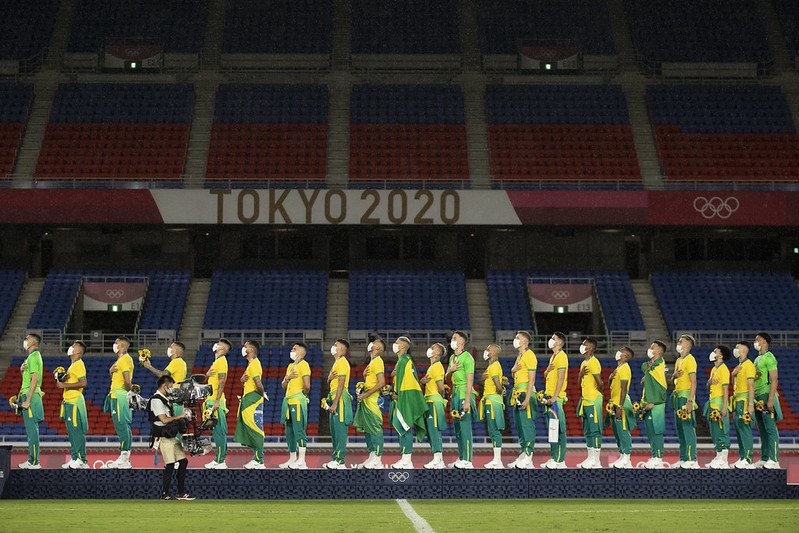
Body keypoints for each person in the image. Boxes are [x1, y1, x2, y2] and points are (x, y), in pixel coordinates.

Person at [149, 375, 194, 500]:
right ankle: (165, 493)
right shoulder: (156, 399)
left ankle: (180, 492)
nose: (172, 388)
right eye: (170, 385)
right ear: (165, 385)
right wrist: (180, 416)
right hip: (163, 437)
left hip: (171, 436)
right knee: (170, 464)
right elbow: (163, 420)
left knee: (183, 462)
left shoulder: (165, 398)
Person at [389, 337, 428, 469]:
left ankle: (407, 459)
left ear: (403, 347)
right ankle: (404, 458)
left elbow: (409, 382)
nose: (394, 345)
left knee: (405, 426)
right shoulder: (401, 361)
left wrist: (399, 394)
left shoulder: (405, 360)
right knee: (402, 427)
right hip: (400, 397)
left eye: (397, 343)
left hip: (404, 397)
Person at [353, 339, 386, 469]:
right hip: (366, 400)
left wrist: (366, 394)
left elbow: (381, 382)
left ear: (377, 348)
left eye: (374, 342)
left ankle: (378, 459)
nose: (371, 343)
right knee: (367, 430)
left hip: (372, 400)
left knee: (375, 428)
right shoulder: (372, 362)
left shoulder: (378, 361)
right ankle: (372, 456)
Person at [102, 336, 134, 469]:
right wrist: (110, 371)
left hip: (120, 396)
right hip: (116, 395)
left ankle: (124, 458)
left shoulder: (125, 359)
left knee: (121, 426)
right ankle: (124, 456)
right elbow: (117, 378)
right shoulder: (120, 360)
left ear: (122, 345)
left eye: (116, 343)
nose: (114, 345)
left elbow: (127, 382)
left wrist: (128, 393)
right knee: (122, 426)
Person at [446, 330, 476, 469]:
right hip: (455, 394)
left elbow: (470, 380)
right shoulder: (452, 358)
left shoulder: (467, 357)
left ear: (462, 342)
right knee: (457, 429)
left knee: (465, 428)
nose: (452, 340)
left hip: (465, 393)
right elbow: (447, 379)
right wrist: (450, 370)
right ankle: (462, 457)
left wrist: (468, 400)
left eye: (455, 338)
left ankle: (468, 460)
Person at [234, 340, 266, 469]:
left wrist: (262, 394)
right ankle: (256, 457)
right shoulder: (250, 365)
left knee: (255, 428)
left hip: (253, 399)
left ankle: (259, 460)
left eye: (245, 346)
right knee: (248, 427)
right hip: (248, 397)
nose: (243, 348)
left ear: (251, 350)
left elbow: (258, 383)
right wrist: (242, 381)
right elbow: (250, 382)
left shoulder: (254, 364)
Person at [279, 342, 311, 470]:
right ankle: (292, 459)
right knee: (289, 431)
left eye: (294, 349)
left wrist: (301, 395)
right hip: (288, 401)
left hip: (297, 401)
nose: (291, 350)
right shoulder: (290, 366)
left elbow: (307, 385)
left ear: (301, 352)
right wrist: (288, 377)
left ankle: (302, 461)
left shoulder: (304, 365)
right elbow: (283, 385)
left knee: (298, 430)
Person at [508, 330, 537, 470]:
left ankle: (529, 456)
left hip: (526, 392)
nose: (515, 339)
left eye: (518, 338)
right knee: (520, 427)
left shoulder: (530, 355)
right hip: (517, 392)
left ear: (525, 341)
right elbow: (513, 372)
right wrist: (513, 369)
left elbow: (532, 379)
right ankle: (522, 454)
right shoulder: (520, 356)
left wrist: (527, 398)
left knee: (527, 425)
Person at [58, 340, 89, 469]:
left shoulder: (79, 364)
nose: (71, 347)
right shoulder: (72, 366)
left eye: (73, 346)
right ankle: (75, 457)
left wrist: (64, 385)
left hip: (75, 402)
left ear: (78, 351)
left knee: (77, 431)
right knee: (71, 432)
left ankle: (82, 459)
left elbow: (83, 383)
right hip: (68, 402)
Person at [752, 332, 782, 469]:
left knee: (770, 428)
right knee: (762, 429)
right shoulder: (757, 359)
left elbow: (774, 379)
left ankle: (774, 459)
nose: (755, 341)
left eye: (757, 339)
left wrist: (770, 400)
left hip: (766, 395)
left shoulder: (769, 357)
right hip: (758, 396)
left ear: (764, 341)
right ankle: (765, 458)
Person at [540, 332, 568, 469]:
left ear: (559, 342)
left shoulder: (562, 357)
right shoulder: (553, 357)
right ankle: (554, 458)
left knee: (558, 429)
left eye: (553, 338)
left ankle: (559, 459)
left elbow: (561, 379)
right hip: (549, 397)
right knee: (552, 429)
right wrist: (547, 370)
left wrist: (555, 397)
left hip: (555, 399)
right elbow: (547, 376)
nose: (551, 340)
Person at [141, 341, 188, 421]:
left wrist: (149, 367)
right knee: (177, 427)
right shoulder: (182, 362)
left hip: (174, 399)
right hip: (178, 398)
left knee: (173, 426)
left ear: (175, 351)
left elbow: (163, 375)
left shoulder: (176, 362)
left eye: (171, 347)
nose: (169, 349)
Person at [324, 339, 352, 469]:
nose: (333, 347)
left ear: (341, 349)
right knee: (334, 431)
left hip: (339, 399)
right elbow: (332, 383)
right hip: (334, 396)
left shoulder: (342, 362)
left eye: (336, 345)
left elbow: (341, 383)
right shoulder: (336, 363)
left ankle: (340, 460)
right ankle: (335, 459)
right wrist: (329, 378)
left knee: (340, 431)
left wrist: (335, 403)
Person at [16, 333, 44, 469]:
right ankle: (32, 460)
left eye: (27, 338)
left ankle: (34, 462)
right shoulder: (30, 357)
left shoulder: (34, 356)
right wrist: (22, 371)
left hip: (31, 396)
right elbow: (29, 378)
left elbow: (35, 379)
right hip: (28, 394)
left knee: (32, 430)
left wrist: (27, 400)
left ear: (33, 342)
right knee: (30, 430)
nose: (25, 340)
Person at [671, 334, 699, 469]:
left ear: (688, 345)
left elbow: (694, 382)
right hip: (677, 396)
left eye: (681, 341)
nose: (678, 343)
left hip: (686, 396)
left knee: (688, 428)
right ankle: (683, 458)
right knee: (680, 429)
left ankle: (692, 458)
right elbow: (675, 379)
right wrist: (673, 376)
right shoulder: (678, 360)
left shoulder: (690, 360)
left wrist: (690, 401)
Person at [576, 338, 603, 469]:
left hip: (593, 400)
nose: (582, 346)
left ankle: (596, 461)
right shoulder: (583, 363)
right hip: (585, 400)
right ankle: (590, 458)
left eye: (585, 344)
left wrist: (597, 396)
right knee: (587, 430)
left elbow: (600, 383)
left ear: (591, 348)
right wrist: (580, 374)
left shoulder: (594, 362)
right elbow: (578, 384)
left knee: (595, 430)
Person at [607, 346, 635, 469]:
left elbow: (624, 389)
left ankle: (627, 458)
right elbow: (613, 388)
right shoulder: (618, 369)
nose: (618, 352)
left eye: (621, 351)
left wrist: (620, 406)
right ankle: (622, 455)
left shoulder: (625, 368)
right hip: (614, 402)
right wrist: (610, 379)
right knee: (617, 432)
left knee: (623, 430)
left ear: (626, 356)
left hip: (621, 403)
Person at [420, 343, 447, 469]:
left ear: (437, 353)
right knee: (431, 431)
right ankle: (437, 458)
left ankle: (438, 460)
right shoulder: (432, 367)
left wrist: (442, 397)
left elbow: (441, 387)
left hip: (434, 401)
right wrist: (423, 382)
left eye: (433, 348)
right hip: (429, 400)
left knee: (434, 430)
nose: (429, 349)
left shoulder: (437, 367)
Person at [641, 341, 668, 469]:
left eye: (653, 347)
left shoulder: (659, 364)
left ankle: (658, 457)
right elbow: (643, 367)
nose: (650, 348)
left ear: (659, 351)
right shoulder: (650, 365)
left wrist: (654, 402)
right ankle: (654, 455)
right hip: (648, 403)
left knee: (657, 432)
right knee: (650, 432)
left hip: (656, 403)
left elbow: (661, 386)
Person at [204, 339, 230, 469]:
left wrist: (217, 401)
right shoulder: (216, 362)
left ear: (223, 349)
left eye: (219, 344)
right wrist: (207, 374)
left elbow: (222, 381)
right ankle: (219, 459)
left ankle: (220, 461)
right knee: (216, 431)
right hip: (211, 400)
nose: (216, 345)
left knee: (219, 431)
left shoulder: (221, 361)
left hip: (215, 401)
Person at [704, 345, 731, 469]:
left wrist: (725, 407)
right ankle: (718, 455)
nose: (713, 352)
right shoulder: (714, 369)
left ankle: (724, 459)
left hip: (720, 403)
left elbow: (726, 390)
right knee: (714, 431)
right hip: (712, 403)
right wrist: (709, 382)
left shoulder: (723, 369)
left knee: (721, 431)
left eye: (715, 351)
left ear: (720, 356)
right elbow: (708, 385)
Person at [730, 341, 756, 469]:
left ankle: (748, 458)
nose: (735, 349)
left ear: (744, 350)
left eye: (737, 347)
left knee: (745, 429)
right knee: (739, 430)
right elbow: (733, 385)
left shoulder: (749, 365)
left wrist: (750, 404)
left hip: (745, 400)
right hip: (737, 399)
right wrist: (733, 374)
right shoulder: (739, 365)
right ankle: (742, 457)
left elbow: (751, 385)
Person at [480, 344, 506, 469]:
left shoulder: (495, 366)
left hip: (493, 402)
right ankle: (496, 459)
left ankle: (497, 460)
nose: (486, 351)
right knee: (493, 430)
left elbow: (497, 384)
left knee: (494, 431)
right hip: (491, 400)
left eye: (488, 349)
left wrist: (501, 390)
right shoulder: (491, 366)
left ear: (494, 353)